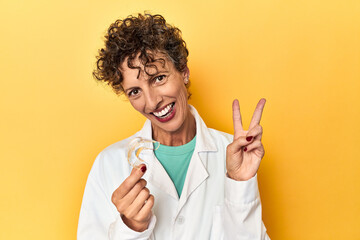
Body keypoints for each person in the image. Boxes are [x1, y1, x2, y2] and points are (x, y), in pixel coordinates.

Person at [78, 13, 270, 240]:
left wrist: (240, 186)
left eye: (158, 78)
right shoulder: (109, 164)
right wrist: (130, 228)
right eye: (135, 91)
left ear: (184, 72)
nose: (151, 102)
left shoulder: (235, 154)